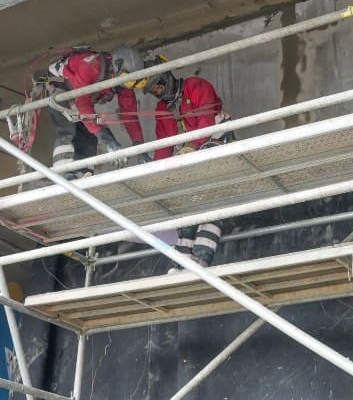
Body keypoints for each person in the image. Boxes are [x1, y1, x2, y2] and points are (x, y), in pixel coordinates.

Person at [145, 68, 231, 268]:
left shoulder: (196, 86)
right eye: (154, 91)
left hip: (214, 147)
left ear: (167, 78)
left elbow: (206, 121)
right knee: (187, 212)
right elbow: (164, 144)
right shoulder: (162, 109)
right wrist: (155, 173)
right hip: (189, 159)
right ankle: (181, 265)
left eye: (159, 86)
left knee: (210, 206)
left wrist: (192, 146)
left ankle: (200, 259)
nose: (158, 92)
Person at [36, 47, 147, 178]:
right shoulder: (91, 66)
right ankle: (64, 175)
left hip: (78, 96)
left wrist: (140, 146)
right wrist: (108, 140)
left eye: (132, 83)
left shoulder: (124, 81)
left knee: (90, 133)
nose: (128, 85)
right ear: (116, 68)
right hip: (58, 85)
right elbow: (83, 104)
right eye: (128, 81)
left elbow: (130, 116)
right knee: (67, 130)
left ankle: (83, 173)